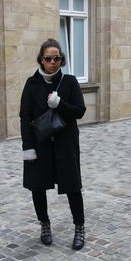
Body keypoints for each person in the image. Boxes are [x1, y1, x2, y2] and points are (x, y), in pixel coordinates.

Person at [19, 38, 86, 250]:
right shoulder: (31, 84)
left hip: (65, 143)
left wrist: (60, 104)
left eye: (56, 58)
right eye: (48, 58)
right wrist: (27, 147)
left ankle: (79, 227)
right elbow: (24, 116)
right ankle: (45, 224)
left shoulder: (70, 82)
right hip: (40, 144)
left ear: (61, 60)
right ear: (41, 59)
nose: (53, 62)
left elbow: (80, 111)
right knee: (37, 186)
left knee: (72, 186)